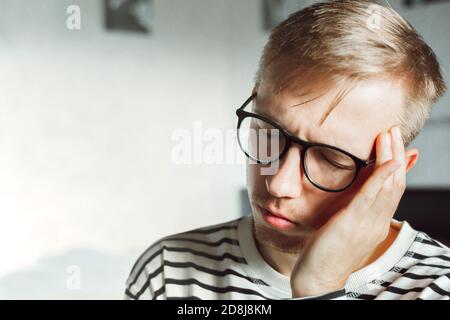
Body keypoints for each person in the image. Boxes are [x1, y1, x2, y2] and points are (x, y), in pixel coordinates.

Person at [125, 0, 449, 300]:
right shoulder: (167, 271)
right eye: (269, 132)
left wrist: (319, 288)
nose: (279, 183)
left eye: (331, 159)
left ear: (393, 172)